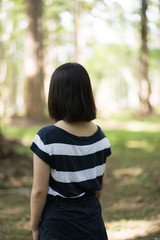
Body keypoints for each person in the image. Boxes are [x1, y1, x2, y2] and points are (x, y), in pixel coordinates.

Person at [30, 62, 112, 240]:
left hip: (58, 223)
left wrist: (35, 226)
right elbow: (101, 185)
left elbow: (39, 191)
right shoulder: (101, 137)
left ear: (55, 95)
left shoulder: (47, 137)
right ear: (86, 94)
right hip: (92, 219)